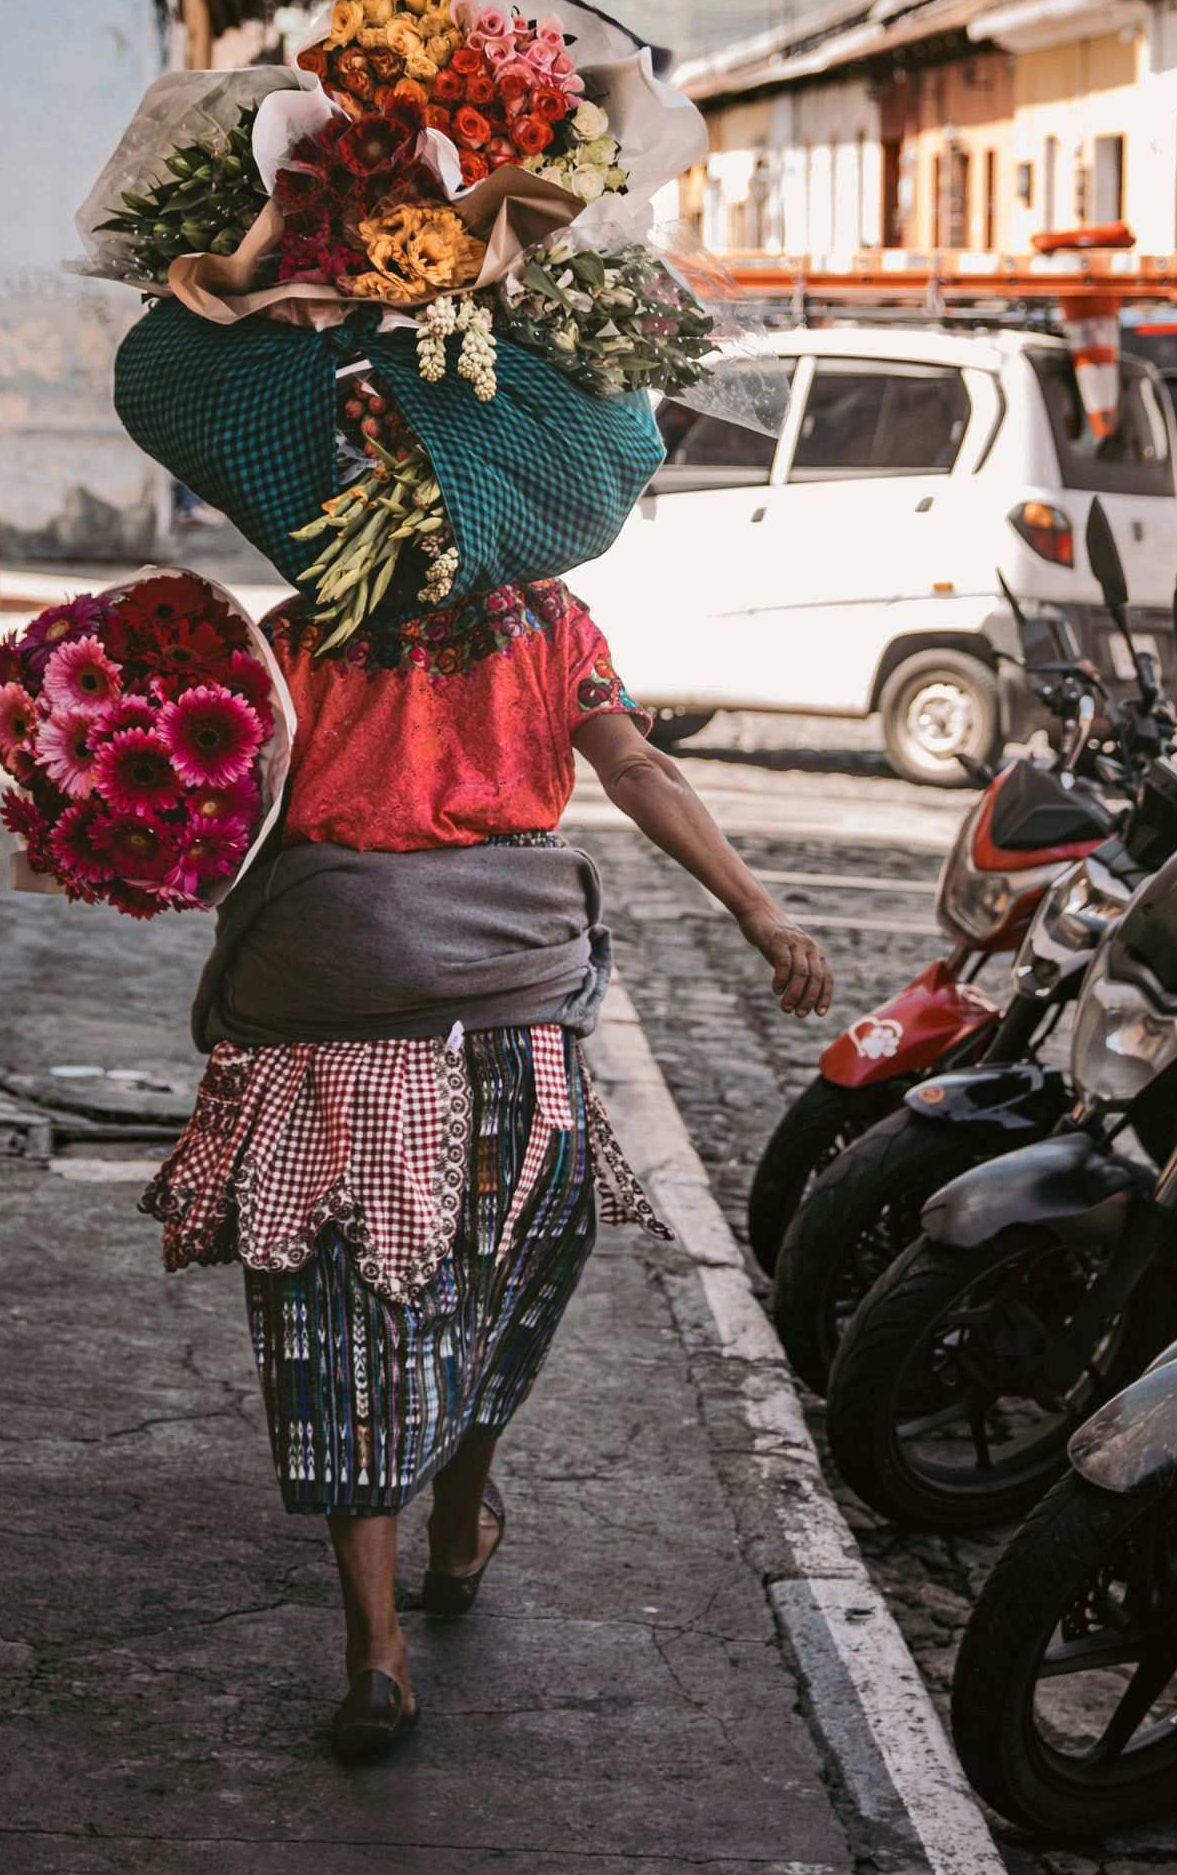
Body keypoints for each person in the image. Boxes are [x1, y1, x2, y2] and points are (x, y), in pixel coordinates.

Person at [142, 573, 832, 1757]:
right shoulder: (548, 622)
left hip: (324, 1005)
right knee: (494, 1279)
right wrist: (758, 911)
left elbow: (218, 821)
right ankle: (460, 1531)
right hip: (508, 1005)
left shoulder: (298, 629)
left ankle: (376, 1653)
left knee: (335, 1314)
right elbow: (639, 770)